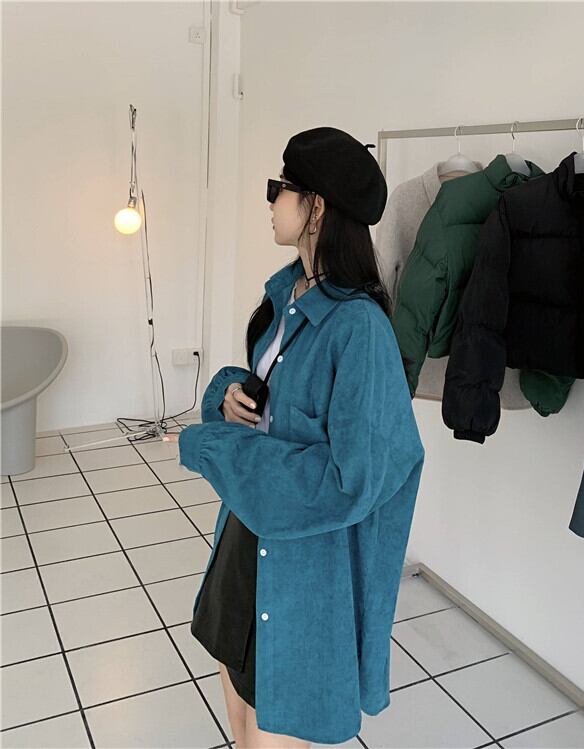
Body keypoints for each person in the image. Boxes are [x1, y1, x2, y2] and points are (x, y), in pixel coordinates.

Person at [166, 126, 425, 747]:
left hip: (302, 572)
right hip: (244, 542)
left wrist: (213, 447)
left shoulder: (359, 329)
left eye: (279, 187)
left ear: (317, 208)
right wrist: (226, 395)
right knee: (239, 716)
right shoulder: (287, 293)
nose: (270, 200)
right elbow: (269, 399)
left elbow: (349, 481)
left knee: (271, 730)